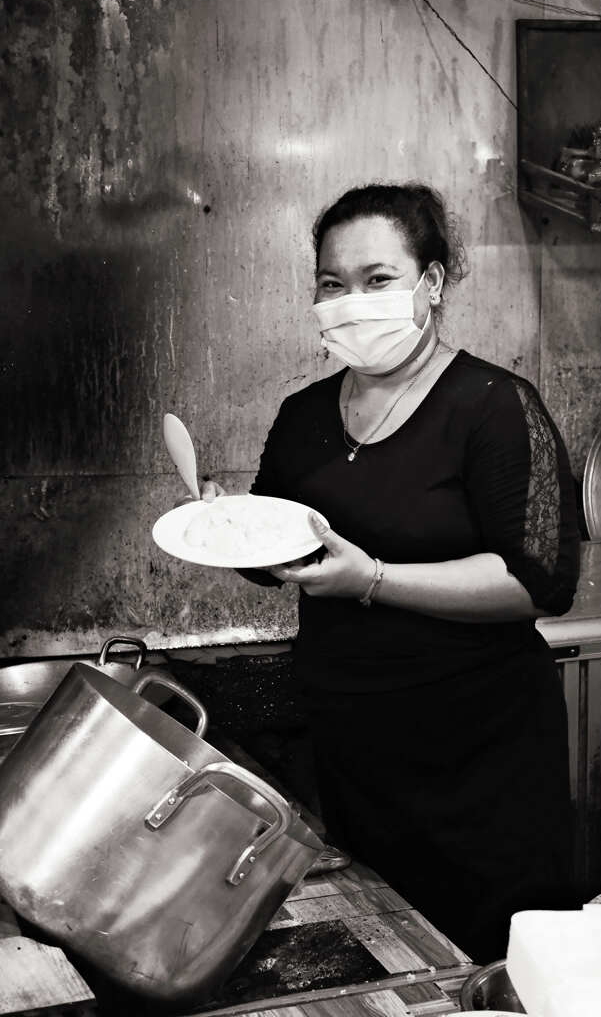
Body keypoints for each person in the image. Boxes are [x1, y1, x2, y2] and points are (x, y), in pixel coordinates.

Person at [204, 183, 581, 963]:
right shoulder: (304, 415)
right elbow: (284, 561)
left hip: (480, 767)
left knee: (488, 974)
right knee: (383, 955)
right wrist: (231, 528)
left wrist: (372, 577)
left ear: (431, 284)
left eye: (377, 279)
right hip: (351, 754)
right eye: (331, 284)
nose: (350, 301)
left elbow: (536, 582)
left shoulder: (495, 406)